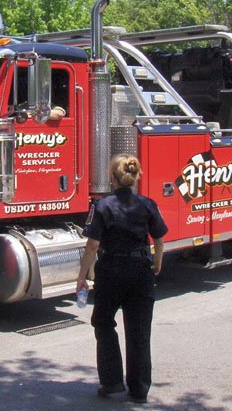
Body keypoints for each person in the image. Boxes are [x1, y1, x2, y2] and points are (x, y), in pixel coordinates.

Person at [76, 154, 167, 404]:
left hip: (112, 271)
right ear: (136, 176)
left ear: (112, 178)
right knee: (139, 331)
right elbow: (158, 239)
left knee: (104, 323)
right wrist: (157, 262)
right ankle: (139, 391)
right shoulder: (148, 204)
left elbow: (93, 245)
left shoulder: (102, 206)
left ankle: (112, 383)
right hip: (141, 270)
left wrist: (82, 277)